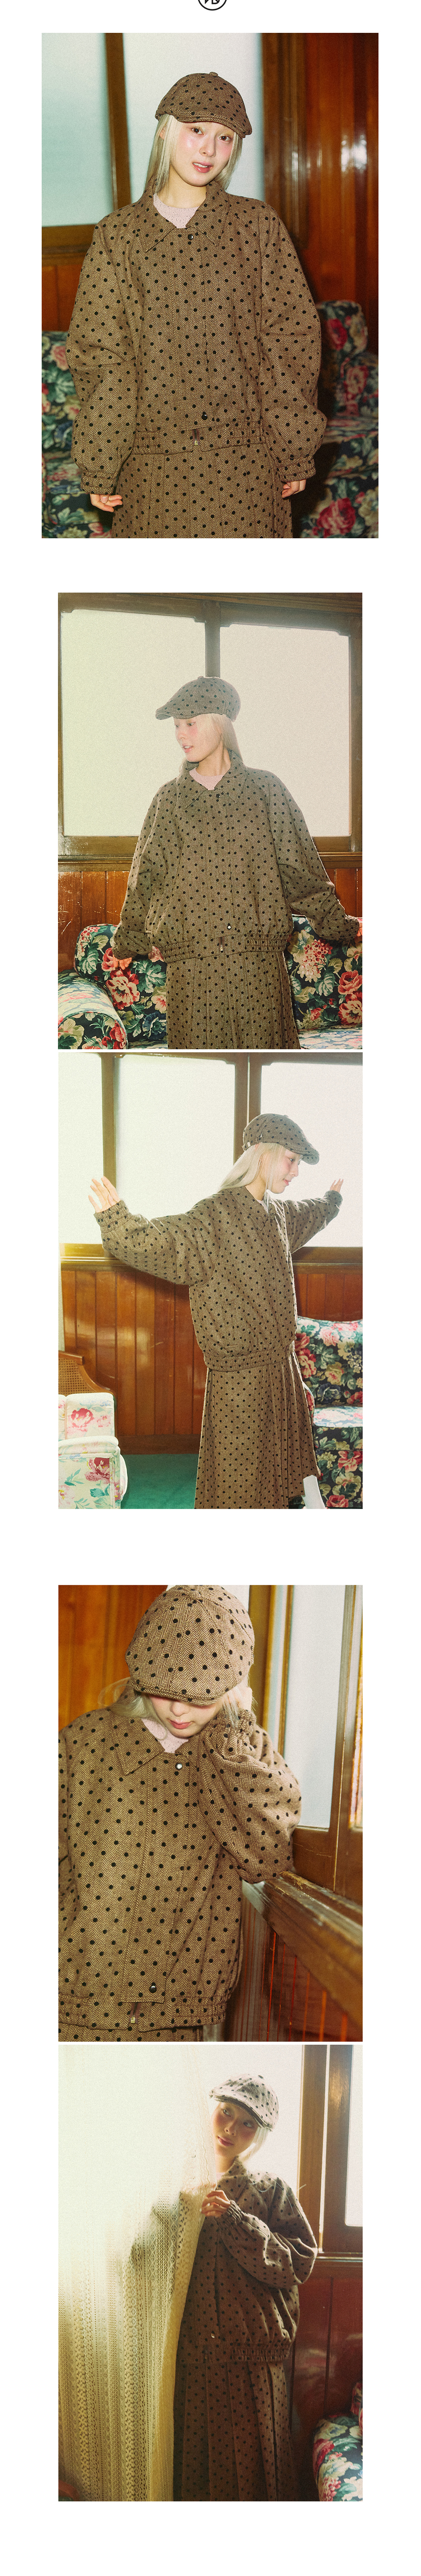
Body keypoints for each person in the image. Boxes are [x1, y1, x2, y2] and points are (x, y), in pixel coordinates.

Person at [67, 67, 325, 540]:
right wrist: (102, 458)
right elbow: (103, 355)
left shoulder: (257, 226)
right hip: (151, 470)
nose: (209, 149)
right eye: (197, 130)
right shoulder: (117, 236)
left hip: (248, 465)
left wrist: (293, 447)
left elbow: (290, 340)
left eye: (225, 137)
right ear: (165, 131)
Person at [59, 1585, 302, 2042]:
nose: (177, 1709)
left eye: (200, 1697)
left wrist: (233, 1739)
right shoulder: (81, 1743)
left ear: (232, 1690)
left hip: (177, 2015)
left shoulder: (240, 1754)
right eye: (164, 1691)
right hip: (72, 2002)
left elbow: (267, 1860)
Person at [89, 1112, 343, 1509]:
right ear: (263, 1155)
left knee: (281, 1477)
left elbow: (311, 1214)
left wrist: (332, 1202)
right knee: (238, 1485)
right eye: (291, 1160)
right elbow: (165, 1242)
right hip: (240, 1381)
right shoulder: (215, 1216)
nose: (296, 1172)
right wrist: (119, 1222)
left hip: (282, 1371)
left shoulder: (278, 1214)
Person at [110, 676, 359, 1051]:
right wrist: (136, 936)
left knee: (266, 1070)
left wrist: (340, 924)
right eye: (176, 726)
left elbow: (299, 869)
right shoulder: (169, 801)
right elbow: (145, 877)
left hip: (258, 969)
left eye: (190, 723)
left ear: (220, 722)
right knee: (203, 1076)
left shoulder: (266, 790)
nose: (181, 735)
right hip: (193, 973)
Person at [173, 2074, 317, 2500]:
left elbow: (299, 2262)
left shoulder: (270, 2189)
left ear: (260, 2134)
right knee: (196, 2472)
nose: (231, 2129)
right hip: (193, 2357)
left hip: (254, 2361)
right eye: (226, 2112)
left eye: (248, 2123)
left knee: (255, 2472)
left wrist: (238, 2221)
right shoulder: (175, 2184)